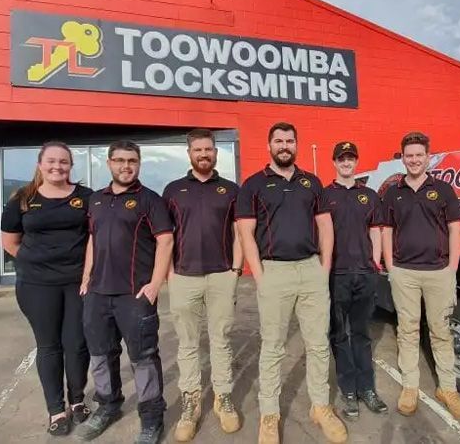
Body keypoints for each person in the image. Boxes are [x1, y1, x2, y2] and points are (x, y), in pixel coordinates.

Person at [236, 122, 348, 444]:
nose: (284, 146)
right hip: (274, 272)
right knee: (273, 347)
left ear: (296, 145)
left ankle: (320, 407)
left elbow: (325, 226)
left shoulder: (311, 183)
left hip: (311, 270)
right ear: (269, 145)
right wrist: (259, 275)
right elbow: (245, 233)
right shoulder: (254, 185)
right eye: (279, 141)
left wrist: (324, 268)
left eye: (289, 141)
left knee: (318, 344)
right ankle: (269, 415)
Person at [77, 141, 174, 444]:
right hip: (97, 294)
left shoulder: (150, 200)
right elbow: (92, 240)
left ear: (139, 163)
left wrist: (155, 284)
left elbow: (166, 241)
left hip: (134, 295)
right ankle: (108, 406)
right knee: (100, 355)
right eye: (119, 160)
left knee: (143, 358)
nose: (126, 166)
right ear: (109, 163)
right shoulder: (96, 200)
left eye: (132, 160)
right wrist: (86, 277)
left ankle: (152, 419)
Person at [0, 141, 93, 436]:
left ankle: (77, 400)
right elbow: (9, 241)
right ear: (40, 164)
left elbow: (95, 237)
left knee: (77, 344)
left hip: (78, 283)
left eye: (63, 161)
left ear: (70, 166)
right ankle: (56, 410)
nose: (57, 166)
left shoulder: (86, 197)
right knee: (49, 346)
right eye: (51, 161)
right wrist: (37, 262)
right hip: (36, 285)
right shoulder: (22, 199)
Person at [381, 132, 460, 420]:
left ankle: (448, 389)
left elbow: (455, 228)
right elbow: (386, 230)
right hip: (404, 273)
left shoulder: (443, 190)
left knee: (440, 331)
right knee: (407, 331)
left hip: (438, 273)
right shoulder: (393, 192)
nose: (414, 160)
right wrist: (390, 266)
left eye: (419, 155)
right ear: (403, 158)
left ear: (428, 157)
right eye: (409, 156)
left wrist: (452, 268)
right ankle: (410, 386)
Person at [162, 129, 244, 441]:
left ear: (216, 152)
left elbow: (240, 233)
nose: (204, 154)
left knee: (220, 340)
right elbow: (165, 236)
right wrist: (170, 273)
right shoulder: (173, 190)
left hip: (222, 275)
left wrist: (235, 270)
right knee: (187, 343)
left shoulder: (231, 190)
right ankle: (191, 401)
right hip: (184, 277)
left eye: (208, 149)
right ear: (190, 154)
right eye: (198, 150)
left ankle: (223, 397)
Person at [322, 141, 389, 420]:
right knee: (339, 334)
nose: (346, 163)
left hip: (364, 274)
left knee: (361, 334)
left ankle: (367, 388)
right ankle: (348, 390)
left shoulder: (369, 195)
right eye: (342, 159)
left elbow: (376, 229)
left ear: (356, 162)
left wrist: (375, 262)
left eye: (350, 158)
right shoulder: (324, 195)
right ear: (334, 162)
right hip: (337, 275)